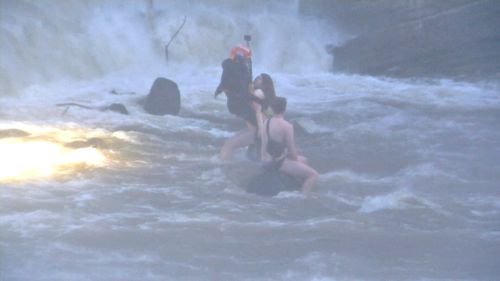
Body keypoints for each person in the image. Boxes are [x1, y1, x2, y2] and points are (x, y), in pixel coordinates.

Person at [261, 97, 318, 193]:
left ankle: (296, 186)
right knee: (313, 175)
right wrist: (294, 158)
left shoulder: (266, 122)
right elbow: (293, 153)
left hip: (265, 160)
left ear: (272, 109)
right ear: (284, 109)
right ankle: (303, 197)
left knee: (304, 159)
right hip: (277, 163)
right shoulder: (287, 126)